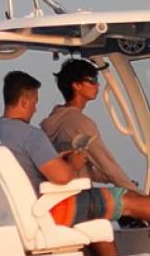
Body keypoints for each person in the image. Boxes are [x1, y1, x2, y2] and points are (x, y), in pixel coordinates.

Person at [0, 71, 150, 256]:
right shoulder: (29, 135)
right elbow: (62, 177)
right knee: (124, 199)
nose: (36, 108)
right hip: (51, 210)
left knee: (98, 211)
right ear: (25, 101)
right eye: (34, 102)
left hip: (22, 212)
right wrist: (74, 162)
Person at [40, 58, 139, 194]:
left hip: (62, 195)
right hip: (79, 198)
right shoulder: (79, 123)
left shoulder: (55, 119)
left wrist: (118, 181)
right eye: (92, 80)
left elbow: (81, 166)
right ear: (76, 85)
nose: (97, 85)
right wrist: (137, 193)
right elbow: (106, 164)